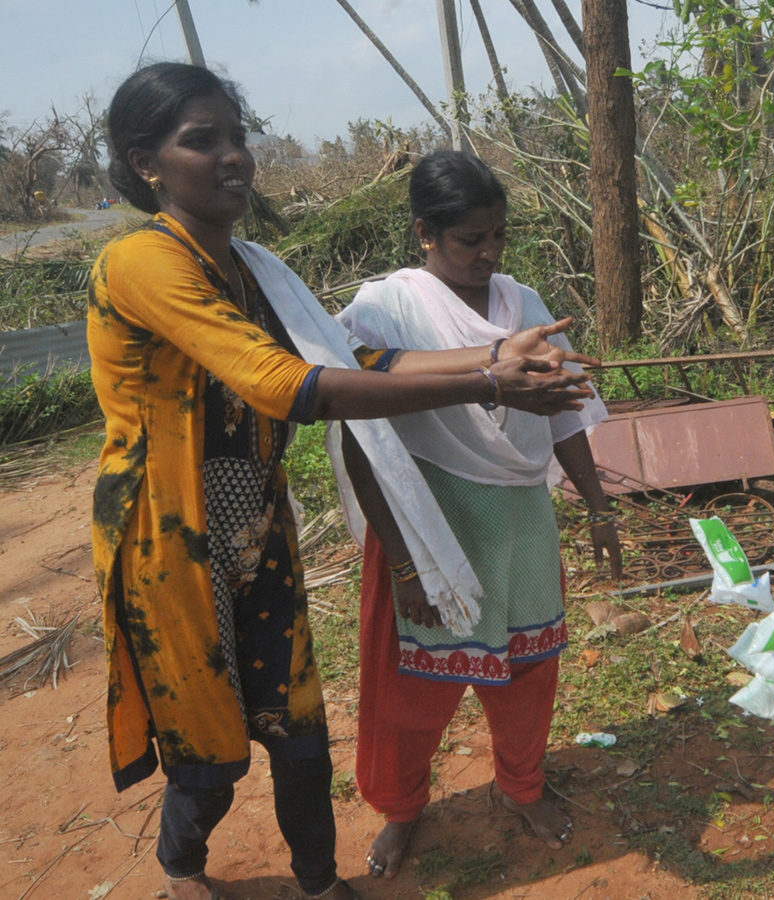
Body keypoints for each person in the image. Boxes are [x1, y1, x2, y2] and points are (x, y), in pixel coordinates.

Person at [90, 64, 596, 900]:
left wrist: (494, 353)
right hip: (167, 538)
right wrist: (489, 382)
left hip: (256, 520)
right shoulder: (141, 263)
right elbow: (286, 385)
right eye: (201, 141)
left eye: (238, 137)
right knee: (207, 748)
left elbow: (354, 360)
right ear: (147, 162)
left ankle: (321, 884)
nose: (234, 158)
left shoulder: (253, 271)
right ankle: (183, 867)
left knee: (296, 728)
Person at [331, 150, 623, 880]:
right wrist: (401, 560)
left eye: (499, 236)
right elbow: (365, 438)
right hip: (431, 524)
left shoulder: (523, 304)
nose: (488, 253)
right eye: (470, 240)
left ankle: (522, 785)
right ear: (426, 233)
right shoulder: (385, 310)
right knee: (411, 687)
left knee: (529, 671)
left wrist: (596, 509)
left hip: (521, 517)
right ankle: (402, 810)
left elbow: (564, 418)